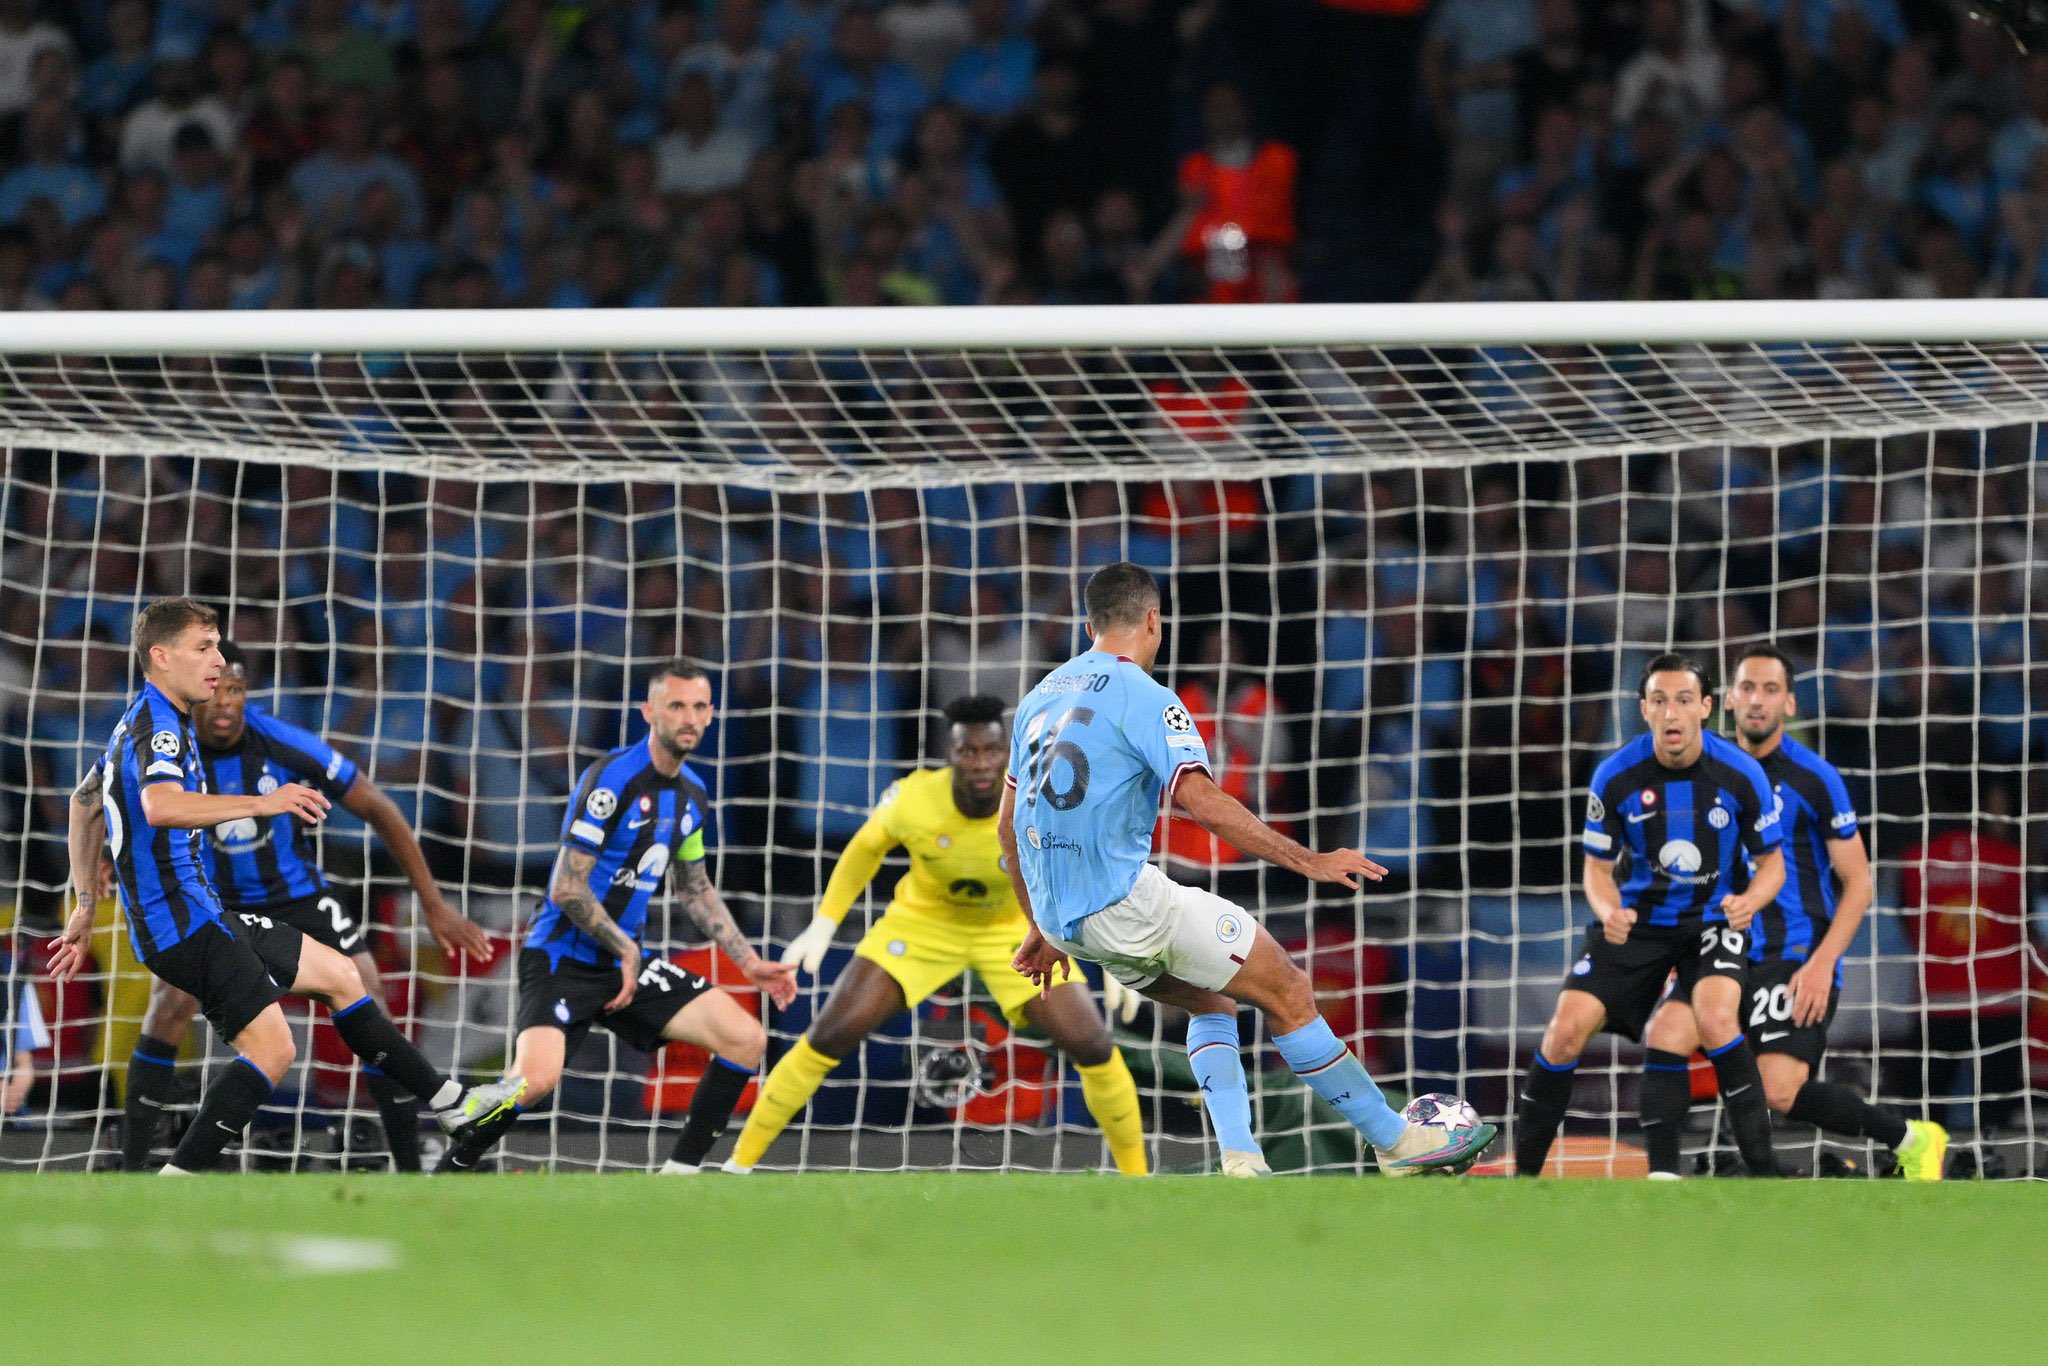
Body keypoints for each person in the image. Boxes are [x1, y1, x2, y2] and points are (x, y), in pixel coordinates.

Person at [1006, 563, 1495, 1177]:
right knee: (1287, 988)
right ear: (1154, 621)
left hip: (1069, 922)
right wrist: (1308, 859)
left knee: (1213, 1004)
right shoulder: (1152, 699)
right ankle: (1398, 1143)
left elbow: (1009, 828)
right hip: (1128, 904)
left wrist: (1040, 926)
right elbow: (1202, 800)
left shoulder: (1039, 698)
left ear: (1089, 625)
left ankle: (1241, 1159)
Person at [50, 598, 522, 1174]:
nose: (218, 663)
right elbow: (160, 804)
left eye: (220, 650)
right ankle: (164, 1176)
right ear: (161, 656)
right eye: (204, 648)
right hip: (187, 921)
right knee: (271, 1048)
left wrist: (84, 903)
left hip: (221, 912)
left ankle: (455, 1106)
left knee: (346, 977)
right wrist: (262, 801)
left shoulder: (150, 719)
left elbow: (84, 802)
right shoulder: (162, 727)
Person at [729, 694, 1147, 1175]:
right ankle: (738, 1167)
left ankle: (1138, 1178)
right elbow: (865, 849)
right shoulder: (913, 798)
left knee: (1093, 1044)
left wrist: (1113, 952)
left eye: (991, 750)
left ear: (1008, 753)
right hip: (923, 925)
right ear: (949, 755)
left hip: (1012, 930)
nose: (982, 763)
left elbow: (1087, 866)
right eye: (968, 752)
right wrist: (824, 922)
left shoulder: (1040, 799)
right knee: (829, 1034)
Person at [437, 660, 799, 1173]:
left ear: (712, 713)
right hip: (563, 955)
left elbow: (694, 889)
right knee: (533, 1083)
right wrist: (626, 948)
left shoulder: (693, 795)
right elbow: (566, 887)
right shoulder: (612, 779)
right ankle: (450, 1165)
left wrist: (749, 960)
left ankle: (680, 1176)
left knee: (746, 1038)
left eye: (698, 706)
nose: (689, 718)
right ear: (649, 712)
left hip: (627, 963)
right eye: (676, 706)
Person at [1638, 645, 1946, 1179]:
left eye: (1771, 690)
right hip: (1722, 950)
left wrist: (1823, 963)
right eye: (1748, 688)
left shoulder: (1814, 777)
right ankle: (1662, 1184)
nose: (1758, 701)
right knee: (1665, 1034)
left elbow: (1859, 882)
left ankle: (1912, 1138)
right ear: (1727, 700)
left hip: (1793, 953)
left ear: (1791, 704)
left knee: (1780, 1090)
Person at [1513, 653, 1787, 1177]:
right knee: (1564, 1033)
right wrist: (1607, 908)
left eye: (1684, 700)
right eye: (1660, 701)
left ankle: (1764, 1171)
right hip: (1637, 923)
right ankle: (1521, 1182)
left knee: (1715, 1019)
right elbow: (1595, 868)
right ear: (1644, 710)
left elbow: (1773, 865)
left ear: (1706, 707)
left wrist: (1751, 899)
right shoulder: (1616, 775)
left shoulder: (1742, 774)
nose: (1672, 713)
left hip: (1713, 921)